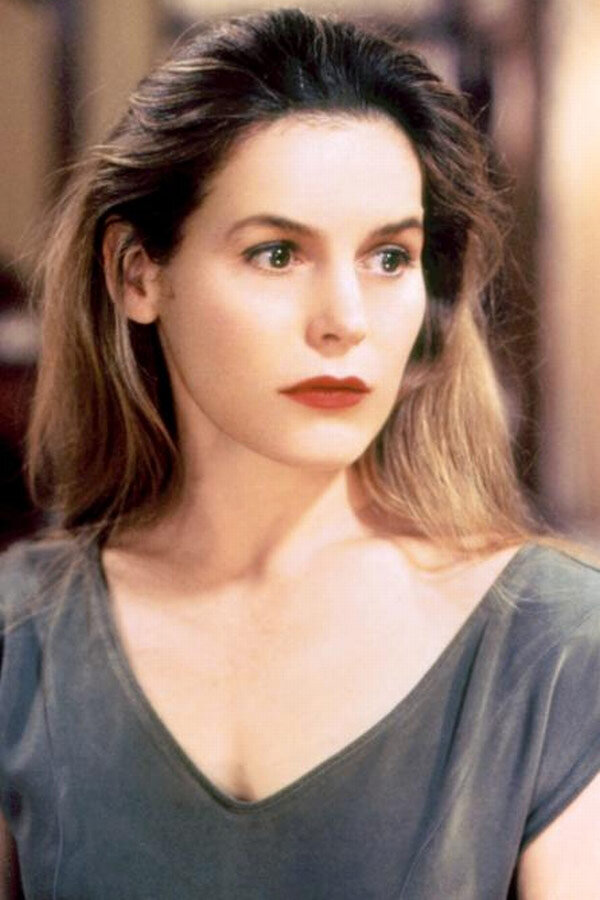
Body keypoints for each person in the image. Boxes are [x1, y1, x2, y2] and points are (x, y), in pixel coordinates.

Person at [1, 8, 599, 898]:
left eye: (389, 258)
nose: (345, 321)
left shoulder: (553, 643)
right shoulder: (22, 636)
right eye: (277, 254)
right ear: (138, 273)